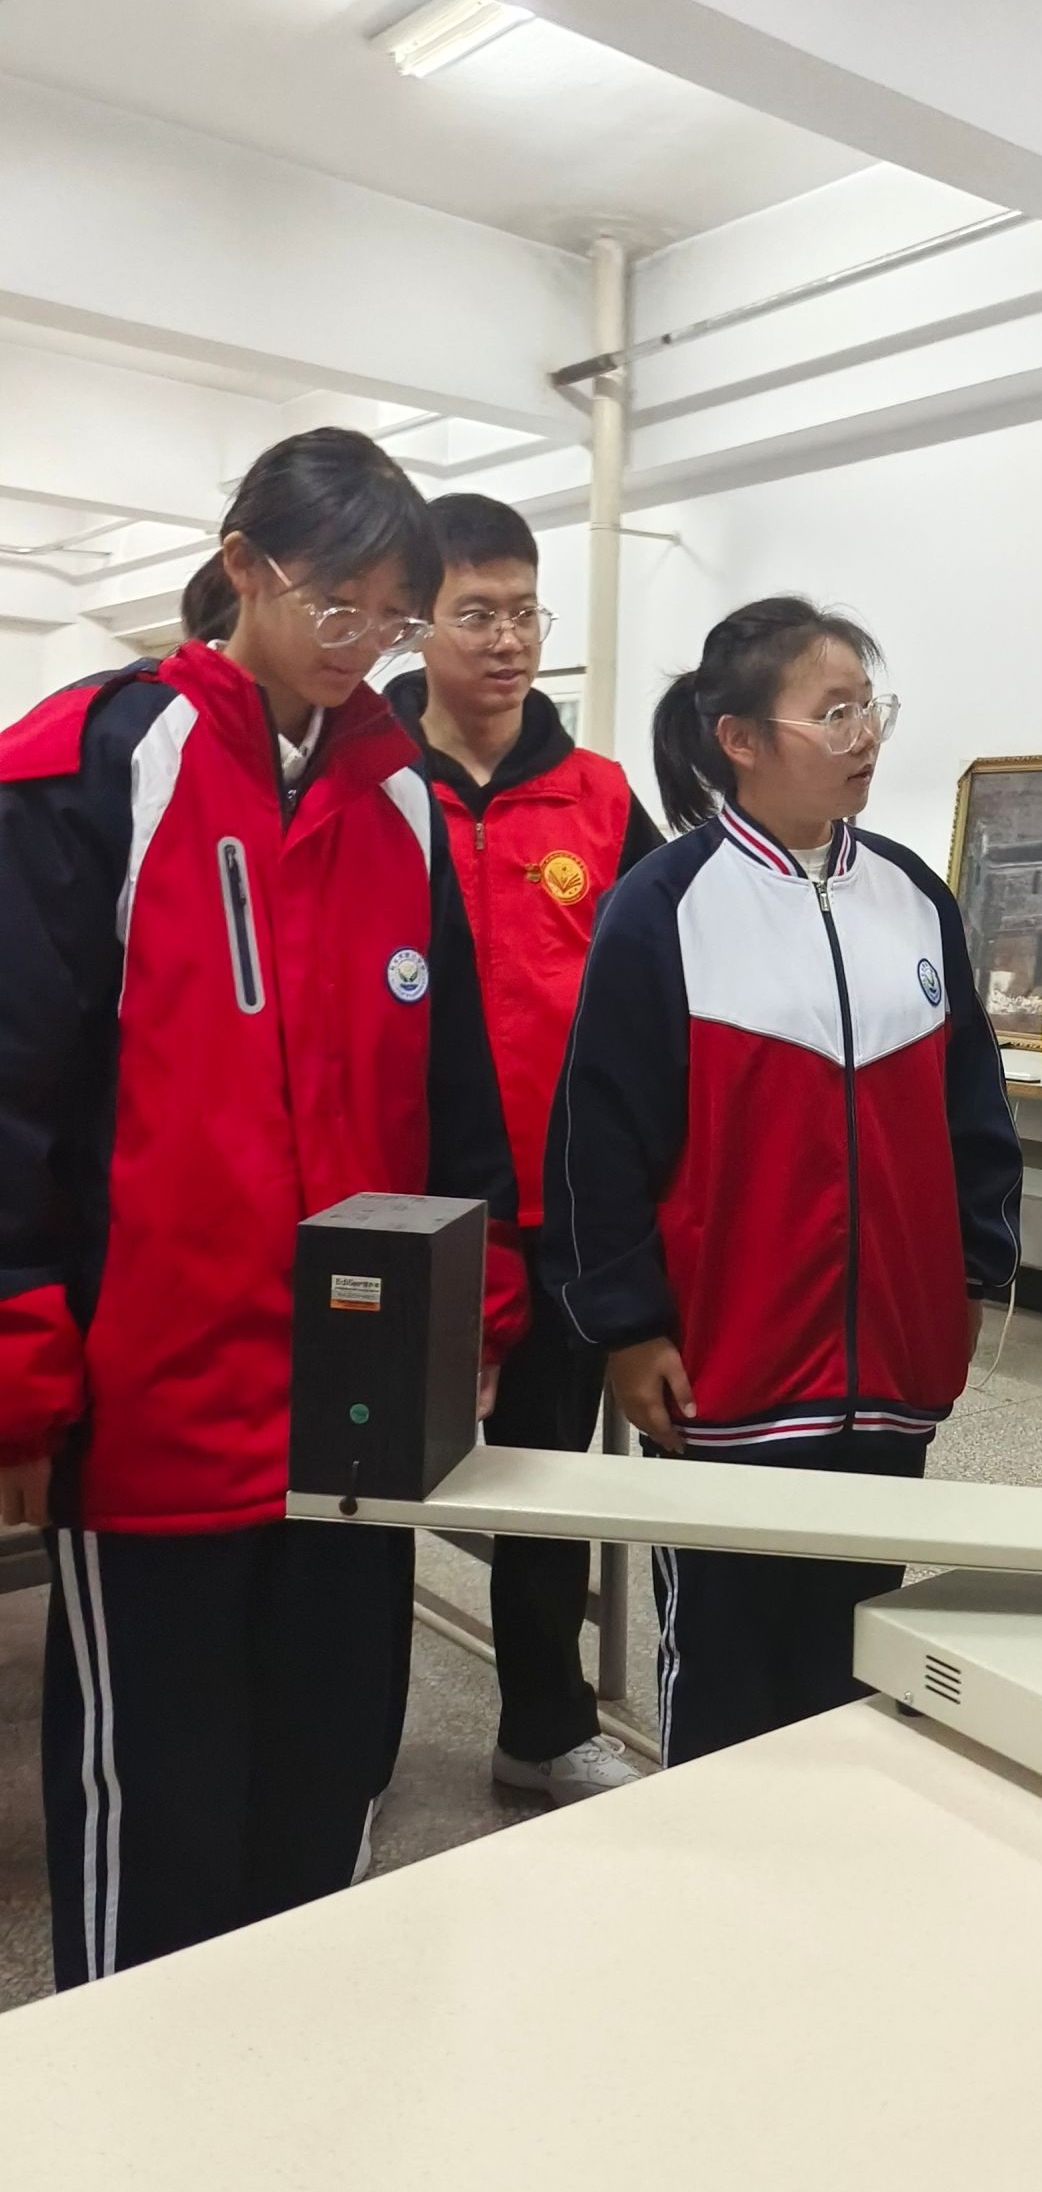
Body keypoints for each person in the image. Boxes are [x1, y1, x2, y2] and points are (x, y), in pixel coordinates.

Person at [0, 428, 526, 1985]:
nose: (363, 646)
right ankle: (129, 2100)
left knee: (328, 1779)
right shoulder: (93, 765)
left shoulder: (398, 795)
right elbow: (13, 1084)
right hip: (156, 1400)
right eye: (337, 604)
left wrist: (482, 1300)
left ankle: (297, 2082)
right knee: (160, 1805)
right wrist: (21, 1351)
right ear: (243, 565)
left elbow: (455, 1083)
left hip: (354, 1410)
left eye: (393, 618)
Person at [542, 597, 1022, 1763]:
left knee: (856, 1655)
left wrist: (969, 1275)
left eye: (870, 707)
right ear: (741, 740)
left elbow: (971, 1108)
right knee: (726, 1668)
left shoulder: (911, 894)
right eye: (834, 712)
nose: (865, 735)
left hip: (891, 1373)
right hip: (730, 1376)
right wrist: (626, 1326)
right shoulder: (664, 907)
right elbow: (597, 1137)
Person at [385, 494, 662, 1805]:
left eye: (524, 612)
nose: (507, 641)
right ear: (418, 622)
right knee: (371, 1478)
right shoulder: (370, 783)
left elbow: (660, 985)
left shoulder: (598, 798)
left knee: (546, 1483)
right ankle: (348, 1749)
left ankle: (542, 1728)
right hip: (400, 1207)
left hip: (559, 1214)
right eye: (476, 614)